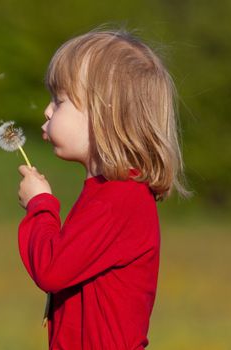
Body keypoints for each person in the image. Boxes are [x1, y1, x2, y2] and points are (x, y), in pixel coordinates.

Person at [17, 26, 192, 350]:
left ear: (104, 116)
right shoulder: (109, 192)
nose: (47, 110)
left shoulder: (119, 199)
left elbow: (52, 269)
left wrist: (40, 204)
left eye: (60, 100)